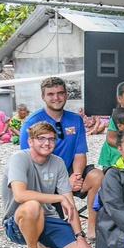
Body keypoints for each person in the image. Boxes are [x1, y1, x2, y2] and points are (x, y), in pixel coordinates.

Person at [4, 122, 94, 248]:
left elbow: (70, 204)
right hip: (19, 222)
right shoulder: (19, 159)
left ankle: (43, 245)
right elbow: (20, 195)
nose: (47, 143)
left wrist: (80, 237)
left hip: (49, 219)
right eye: (41, 138)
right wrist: (58, 198)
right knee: (33, 205)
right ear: (30, 141)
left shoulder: (58, 163)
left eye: (51, 139)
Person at [19, 77, 103, 239]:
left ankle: (92, 230)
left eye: (60, 93)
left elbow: (80, 154)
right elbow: (28, 160)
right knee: (55, 232)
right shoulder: (32, 121)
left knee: (97, 176)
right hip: (43, 176)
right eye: (50, 94)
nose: (56, 98)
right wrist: (61, 182)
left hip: (69, 171)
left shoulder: (75, 119)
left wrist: (75, 175)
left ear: (66, 95)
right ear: (43, 97)